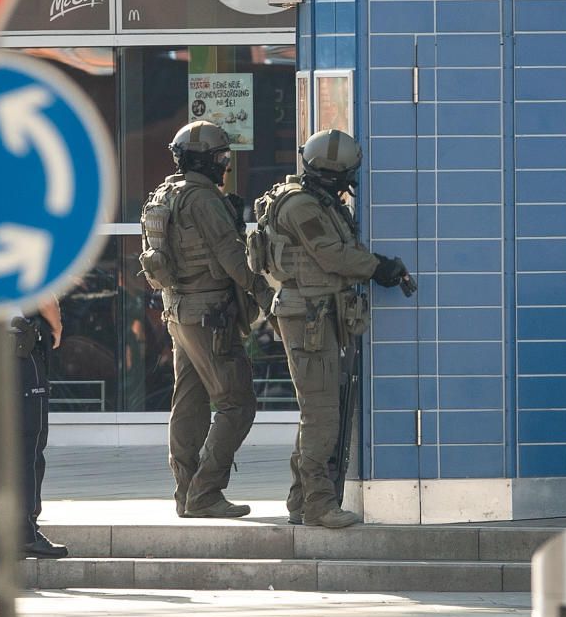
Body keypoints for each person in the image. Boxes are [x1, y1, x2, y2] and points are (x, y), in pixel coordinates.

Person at [251, 129, 411, 529]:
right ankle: (319, 505)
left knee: (316, 412)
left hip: (316, 314)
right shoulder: (302, 207)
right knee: (322, 415)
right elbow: (332, 254)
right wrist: (379, 267)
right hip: (309, 317)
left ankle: (301, 499)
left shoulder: (311, 201)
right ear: (335, 172)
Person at [140, 120, 275, 519]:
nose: (225, 165)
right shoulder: (202, 199)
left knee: (190, 401)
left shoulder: (166, 193)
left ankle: (186, 492)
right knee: (237, 402)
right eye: (221, 158)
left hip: (179, 312)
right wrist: (266, 296)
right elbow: (233, 257)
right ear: (205, 160)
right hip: (209, 316)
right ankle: (205, 492)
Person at [0, 299, 67, 558]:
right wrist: (57, 326)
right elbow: (44, 298)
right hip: (15, 349)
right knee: (28, 440)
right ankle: (23, 534)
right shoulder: (11, 256)